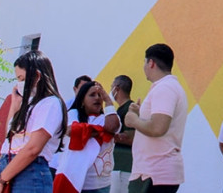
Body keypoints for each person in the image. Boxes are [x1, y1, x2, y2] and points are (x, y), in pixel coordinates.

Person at [0, 50, 68, 193]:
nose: (19, 84)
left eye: (22, 79)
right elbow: (10, 139)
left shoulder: (50, 103)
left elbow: (33, 148)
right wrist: (15, 106)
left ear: (37, 76)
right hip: (12, 168)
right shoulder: (29, 104)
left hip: (30, 171)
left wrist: (1, 180)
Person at [124, 43, 188, 193]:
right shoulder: (167, 87)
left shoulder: (165, 88)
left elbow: (158, 127)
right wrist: (139, 115)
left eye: (144, 62)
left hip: (154, 174)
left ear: (151, 63)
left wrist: (134, 120)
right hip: (153, 172)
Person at [54, 80, 121, 193]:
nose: (97, 98)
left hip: (102, 185)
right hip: (76, 181)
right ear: (82, 101)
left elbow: (112, 127)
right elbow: (72, 131)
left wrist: (108, 100)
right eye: (92, 95)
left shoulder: (110, 116)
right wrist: (101, 131)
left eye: (100, 95)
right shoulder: (73, 114)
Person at [110, 75, 135, 193]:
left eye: (112, 87)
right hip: (116, 167)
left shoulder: (130, 109)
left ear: (117, 88)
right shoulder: (121, 110)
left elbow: (132, 138)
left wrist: (109, 136)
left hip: (123, 169)